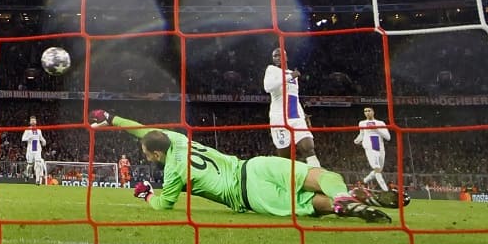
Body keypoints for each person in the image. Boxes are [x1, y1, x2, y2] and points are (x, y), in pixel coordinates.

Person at [89, 110, 392, 223]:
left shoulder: (172, 174)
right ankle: (346, 195)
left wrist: (146, 194)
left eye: (146, 154)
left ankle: (342, 205)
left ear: (157, 154)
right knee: (322, 175)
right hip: (255, 166)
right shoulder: (176, 138)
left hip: (249, 196)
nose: (144, 156)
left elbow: (163, 206)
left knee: (309, 203)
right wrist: (111, 118)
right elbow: (141, 128)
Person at [263, 48, 320, 167]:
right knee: (285, 158)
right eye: (274, 56)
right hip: (279, 119)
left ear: (286, 57)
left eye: (279, 55)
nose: (277, 58)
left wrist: (303, 115)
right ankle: (287, 178)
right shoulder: (271, 69)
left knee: (308, 148)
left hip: (295, 116)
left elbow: (294, 96)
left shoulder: (293, 74)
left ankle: (318, 175)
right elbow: (268, 87)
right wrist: (290, 76)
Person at [354, 107, 390, 191]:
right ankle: (386, 190)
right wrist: (356, 140)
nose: (367, 112)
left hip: (379, 146)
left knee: (379, 170)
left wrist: (376, 129)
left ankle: (363, 181)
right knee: (377, 168)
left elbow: (388, 137)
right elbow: (362, 134)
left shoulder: (380, 123)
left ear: (373, 112)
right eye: (365, 111)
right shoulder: (362, 123)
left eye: (369, 111)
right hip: (369, 146)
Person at [21, 115, 47, 182]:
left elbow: (40, 137)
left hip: (37, 148)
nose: (33, 121)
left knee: (38, 163)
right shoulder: (27, 130)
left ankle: (37, 180)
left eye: (34, 120)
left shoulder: (39, 130)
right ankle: (27, 174)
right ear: (30, 122)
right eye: (31, 120)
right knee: (30, 164)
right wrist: (28, 138)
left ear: (36, 122)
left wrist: (44, 141)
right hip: (30, 149)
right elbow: (23, 139)